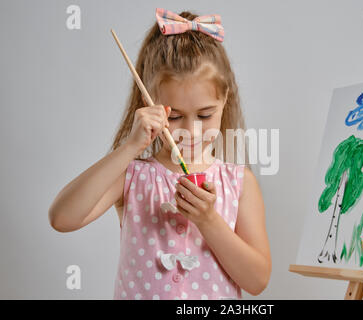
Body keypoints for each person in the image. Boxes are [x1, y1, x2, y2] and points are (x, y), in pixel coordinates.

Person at [49, 8, 271, 300]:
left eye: (205, 115)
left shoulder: (239, 181)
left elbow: (256, 281)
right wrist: (129, 147)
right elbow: (62, 218)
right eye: (175, 116)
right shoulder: (132, 174)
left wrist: (209, 221)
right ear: (148, 102)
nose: (190, 131)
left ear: (225, 98)